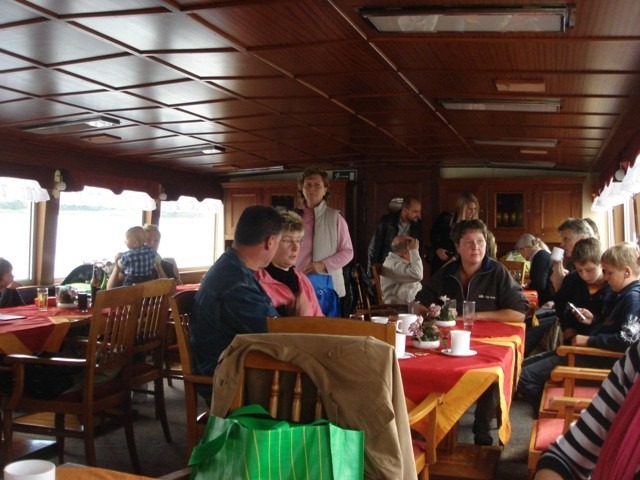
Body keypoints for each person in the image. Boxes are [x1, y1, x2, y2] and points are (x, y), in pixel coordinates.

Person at [416, 219, 529, 445]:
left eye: (480, 241)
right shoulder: (446, 273)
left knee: (491, 370)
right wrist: (433, 316)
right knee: (431, 365)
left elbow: (518, 312)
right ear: (457, 247)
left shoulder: (497, 272)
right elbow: (419, 303)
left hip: (491, 341)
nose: (476, 247)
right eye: (468, 242)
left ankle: (482, 426)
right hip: (452, 340)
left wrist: (474, 316)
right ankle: (439, 424)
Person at [518, 241, 640, 414]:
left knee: (523, 376)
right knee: (520, 367)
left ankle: (549, 413)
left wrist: (589, 340)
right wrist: (594, 321)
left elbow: (627, 340)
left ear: (626, 272)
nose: (605, 278)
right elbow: (611, 327)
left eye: (609, 273)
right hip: (589, 352)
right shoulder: (622, 295)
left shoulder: (633, 298)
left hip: (599, 358)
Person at [191, 205, 283, 402]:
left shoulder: (230, 266)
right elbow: (275, 335)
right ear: (270, 242)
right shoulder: (235, 282)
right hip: (226, 378)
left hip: (229, 365)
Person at [534, 340, 640, 480]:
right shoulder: (636, 359)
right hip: (584, 350)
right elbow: (565, 460)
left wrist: (589, 340)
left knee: (527, 377)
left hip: (593, 355)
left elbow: (622, 337)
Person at [295, 167, 353, 302]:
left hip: (328, 288)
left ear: (325, 189)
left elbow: (348, 252)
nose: (312, 189)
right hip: (299, 284)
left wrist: (322, 265)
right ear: (302, 189)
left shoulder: (335, 218)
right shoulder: (294, 218)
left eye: (317, 185)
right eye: (308, 185)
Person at [257, 210, 323, 316]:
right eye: (287, 241)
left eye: (298, 240)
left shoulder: (303, 280)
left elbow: (319, 318)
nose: (296, 248)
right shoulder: (257, 281)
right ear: (271, 243)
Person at [429, 192, 479, 275]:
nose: (472, 212)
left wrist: (456, 256)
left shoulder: (473, 226)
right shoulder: (446, 218)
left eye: (474, 209)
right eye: (470, 209)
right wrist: (437, 249)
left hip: (461, 262)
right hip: (442, 258)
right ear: (462, 208)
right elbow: (433, 235)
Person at [368, 196, 423, 268]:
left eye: (419, 211)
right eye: (415, 211)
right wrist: (372, 270)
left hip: (407, 267)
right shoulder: (387, 222)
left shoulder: (417, 225)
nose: (418, 215)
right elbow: (373, 248)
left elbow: (418, 249)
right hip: (387, 266)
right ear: (405, 210)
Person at [550, 218, 594, 292]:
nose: (562, 244)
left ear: (582, 238)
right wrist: (557, 265)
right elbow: (561, 293)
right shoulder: (572, 263)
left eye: (566, 239)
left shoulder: (594, 263)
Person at [379, 235, 423, 304]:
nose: (415, 254)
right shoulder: (393, 265)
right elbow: (418, 275)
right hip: (398, 307)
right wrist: (414, 251)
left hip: (410, 303)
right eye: (412, 251)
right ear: (405, 253)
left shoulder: (398, 261)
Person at [515, 233, 554, 306]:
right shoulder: (540, 255)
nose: (521, 255)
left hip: (547, 301)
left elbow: (539, 285)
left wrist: (528, 286)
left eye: (519, 252)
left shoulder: (540, 257)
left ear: (523, 249)